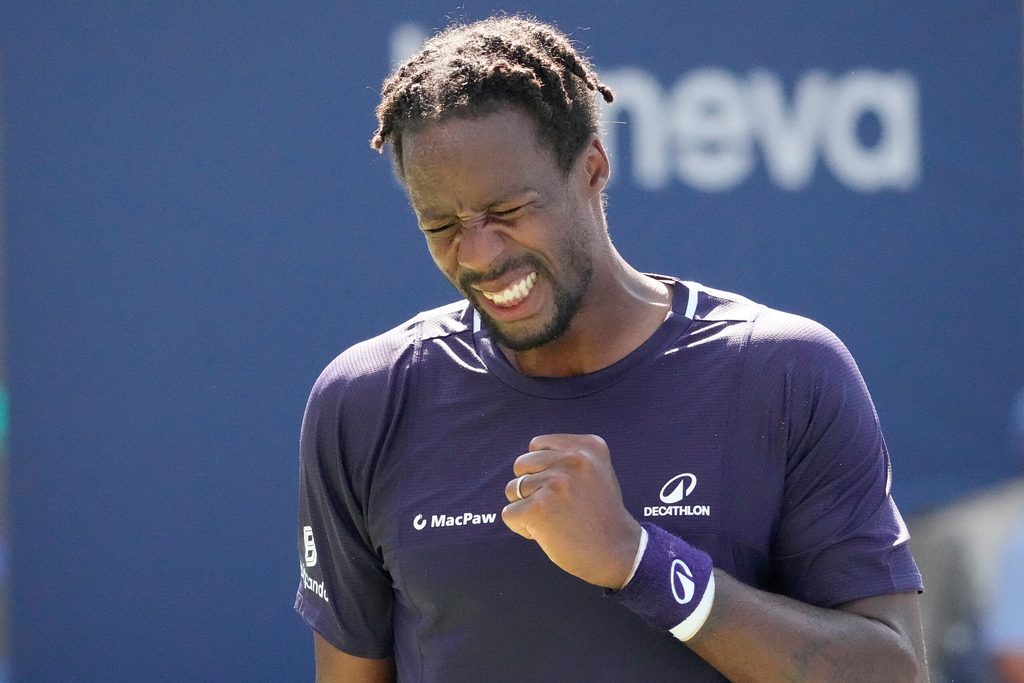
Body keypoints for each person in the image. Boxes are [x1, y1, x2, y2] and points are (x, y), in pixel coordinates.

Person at [295, 15, 927, 682]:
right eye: (443, 224)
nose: (478, 253)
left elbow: (890, 671)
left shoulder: (785, 372)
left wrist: (640, 561)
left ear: (591, 168)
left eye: (508, 212)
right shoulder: (365, 400)